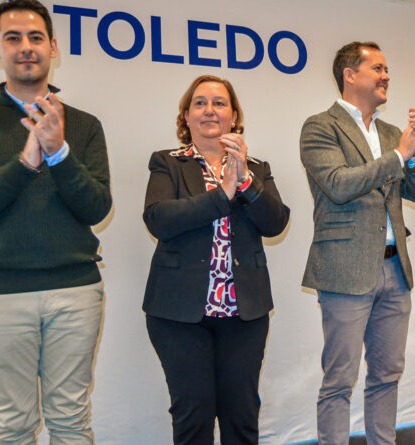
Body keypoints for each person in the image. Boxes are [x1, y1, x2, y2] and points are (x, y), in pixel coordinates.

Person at [0, 1, 111, 443]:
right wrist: (25, 162)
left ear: (53, 46)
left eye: (36, 37)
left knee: (72, 421)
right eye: (12, 38)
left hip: (74, 291)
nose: (26, 47)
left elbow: (96, 208)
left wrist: (59, 153)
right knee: (13, 426)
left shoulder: (85, 126)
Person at [142, 74, 289, 445]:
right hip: (179, 314)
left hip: (245, 314)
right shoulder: (168, 163)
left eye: (219, 103)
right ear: (187, 116)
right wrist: (222, 193)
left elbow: (276, 222)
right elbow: (160, 219)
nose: (210, 110)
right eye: (200, 103)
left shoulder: (256, 167)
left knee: (242, 416)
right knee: (193, 415)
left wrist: (243, 183)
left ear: (234, 116)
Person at [299, 41, 415, 445]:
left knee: (387, 375)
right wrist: (399, 155)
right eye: (377, 67)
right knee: (339, 380)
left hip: (395, 269)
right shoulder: (320, 126)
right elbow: (339, 185)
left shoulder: (394, 132)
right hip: (344, 268)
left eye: (387, 68)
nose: (386, 75)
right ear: (350, 74)